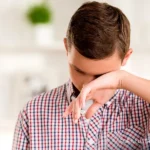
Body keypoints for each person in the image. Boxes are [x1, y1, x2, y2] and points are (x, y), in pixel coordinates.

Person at [12, 1, 150, 150]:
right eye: (79, 71)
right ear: (66, 48)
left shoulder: (142, 106)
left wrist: (122, 79)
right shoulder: (32, 114)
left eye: (102, 75)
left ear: (126, 57)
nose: (88, 86)